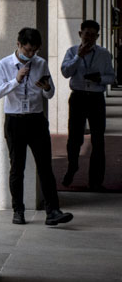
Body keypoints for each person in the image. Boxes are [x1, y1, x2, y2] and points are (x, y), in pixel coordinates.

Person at [0, 27, 73, 226]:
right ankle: (18, 210)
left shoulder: (41, 63)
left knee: (45, 167)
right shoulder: (4, 64)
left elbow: (50, 94)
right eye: (28, 50)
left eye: (34, 51)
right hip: (14, 120)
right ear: (19, 45)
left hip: (36, 119)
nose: (31, 54)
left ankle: (53, 211)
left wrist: (47, 88)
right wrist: (16, 80)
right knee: (17, 167)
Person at [61, 19, 117, 191]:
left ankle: (95, 180)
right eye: (86, 34)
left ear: (98, 37)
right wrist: (79, 56)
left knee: (98, 140)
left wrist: (99, 78)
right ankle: (72, 166)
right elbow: (65, 72)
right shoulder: (71, 51)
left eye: (93, 35)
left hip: (96, 98)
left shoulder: (104, 54)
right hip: (78, 97)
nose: (89, 38)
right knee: (74, 137)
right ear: (80, 34)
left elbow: (112, 77)